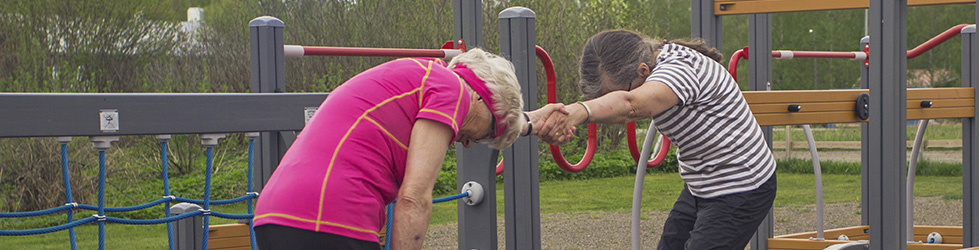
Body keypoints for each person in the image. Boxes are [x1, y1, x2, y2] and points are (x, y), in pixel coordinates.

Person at [252, 49, 566, 250]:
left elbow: (508, 118)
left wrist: (532, 123)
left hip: (275, 214)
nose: (469, 143)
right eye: (486, 133)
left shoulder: (421, 77)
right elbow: (414, 199)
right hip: (332, 217)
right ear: (482, 98)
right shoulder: (452, 91)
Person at [539, 29, 777, 250]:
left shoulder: (679, 69)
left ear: (643, 71)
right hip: (701, 183)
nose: (610, 102)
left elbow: (630, 105)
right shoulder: (656, 61)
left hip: (743, 184)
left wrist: (577, 112)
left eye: (617, 92)